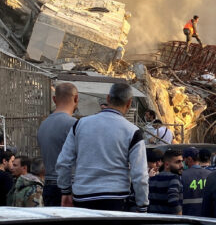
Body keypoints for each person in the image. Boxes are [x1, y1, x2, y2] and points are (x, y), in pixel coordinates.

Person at [56, 83, 149, 212]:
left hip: (83, 197)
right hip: (116, 198)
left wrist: (65, 191)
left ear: (108, 98)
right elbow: (140, 175)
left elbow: (63, 162)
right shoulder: (132, 131)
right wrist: (142, 205)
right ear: (129, 103)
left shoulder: (80, 124)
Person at [38, 83, 78, 207]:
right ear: (76, 98)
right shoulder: (74, 124)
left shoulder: (43, 125)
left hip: (48, 186)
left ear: (54, 99)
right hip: (69, 187)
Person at [148, 149, 184, 215]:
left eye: (182, 162)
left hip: (152, 219)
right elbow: (173, 200)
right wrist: (180, 215)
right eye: (178, 162)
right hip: (169, 220)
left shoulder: (152, 179)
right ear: (167, 164)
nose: (182, 165)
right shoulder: (174, 178)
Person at [181, 147, 210, 216]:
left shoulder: (182, 175)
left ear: (189, 159)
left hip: (188, 215)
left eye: (184, 159)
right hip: (207, 217)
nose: (183, 162)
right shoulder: (210, 174)